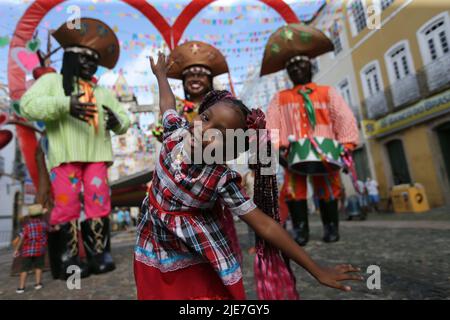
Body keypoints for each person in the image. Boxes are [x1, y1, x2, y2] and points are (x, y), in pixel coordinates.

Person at [133, 52, 362, 300]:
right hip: (154, 241)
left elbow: (264, 224)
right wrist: (161, 76)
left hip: (195, 248)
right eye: (205, 118)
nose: (204, 129)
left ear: (229, 150)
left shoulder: (221, 179)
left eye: (219, 133)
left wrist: (317, 270)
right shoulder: (175, 134)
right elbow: (167, 106)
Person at [21, 18, 130, 279]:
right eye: (83, 57)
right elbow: (27, 106)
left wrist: (116, 121)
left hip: (97, 157)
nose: (90, 62)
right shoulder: (51, 83)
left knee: (99, 201)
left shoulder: (101, 91)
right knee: (66, 204)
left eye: (94, 58)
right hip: (65, 157)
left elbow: (124, 120)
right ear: (69, 57)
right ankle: (66, 258)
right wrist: (64, 105)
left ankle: (99, 255)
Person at [264, 24, 359, 246]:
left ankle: (331, 226)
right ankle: (301, 230)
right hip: (293, 153)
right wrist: (277, 148)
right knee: (293, 189)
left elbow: (344, 118)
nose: (297, 70)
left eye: (301, 65)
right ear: (288, 73)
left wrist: (347, 145)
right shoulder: (280, 97)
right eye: (292, 67)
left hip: (326, 151)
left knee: (328, 187)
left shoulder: (328, 93)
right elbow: (271, 125)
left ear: (310, 67)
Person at [14, 204, 49, 294]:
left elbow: (21, 238)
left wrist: (16, 249)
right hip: (40, 250)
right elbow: (51, 229)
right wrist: (57, 227)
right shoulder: (43, 225)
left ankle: (21, 287)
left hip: (27, 251)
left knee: (24, 269)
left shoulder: (26, 226)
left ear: (29, 216)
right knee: (38, 267)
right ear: (41, 215)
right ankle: (38, 284)